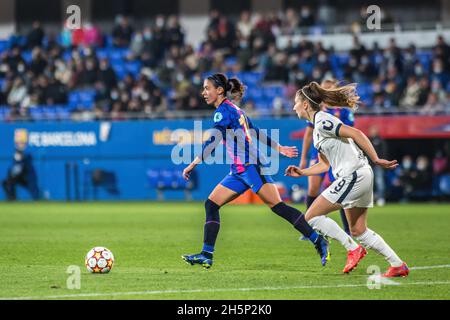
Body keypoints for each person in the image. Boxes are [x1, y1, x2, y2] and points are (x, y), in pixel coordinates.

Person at [181, 73, 330, 269]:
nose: (203, 93)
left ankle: (318, 240)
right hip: (238, 170)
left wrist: (193, 163)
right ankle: (206, 254)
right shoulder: (236, 110)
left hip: (250, 167)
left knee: (278, 207)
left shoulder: (223, 111)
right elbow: (255, 131)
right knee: (211, 204)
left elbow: (213, 140)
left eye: (207, 88)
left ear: (219, 90)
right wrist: (279, 147)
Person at [285, 81, 409, 277]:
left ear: (306, 105)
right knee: (359, 230)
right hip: (360, 175)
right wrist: (302, 172)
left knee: (310, 217)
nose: (293, 107)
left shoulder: (323, 121)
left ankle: (352, 249)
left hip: (355, 175)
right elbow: (324, 165)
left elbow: (356, 133)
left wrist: (376, 158)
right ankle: (397, 264)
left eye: (296, 102)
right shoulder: (318, 129)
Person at [299, 79, 352, 235]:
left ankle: (348, 229)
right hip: (319, 156)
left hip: (336, 157)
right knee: (313, 189)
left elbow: (350, 134)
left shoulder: (343, 111)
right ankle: (309, 229)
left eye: (329, 88)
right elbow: (308, 135)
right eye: (324, 88)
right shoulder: (317, 111)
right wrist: (303, 158)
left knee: (341, 190)